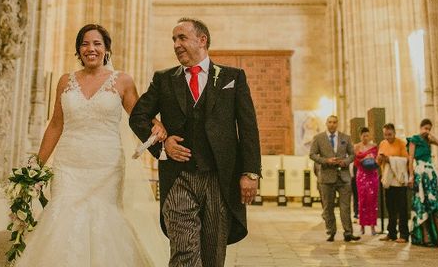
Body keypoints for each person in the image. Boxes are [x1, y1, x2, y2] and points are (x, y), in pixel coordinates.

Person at [14, 24, 168, 266]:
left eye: (97, 43)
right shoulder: (65, 81)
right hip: (69, 163)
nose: (91, 48)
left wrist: (157, 125)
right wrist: (36, 167)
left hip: (106, 163)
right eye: (85, 44)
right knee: (62, 213)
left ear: (106, 49)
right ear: (78, 49)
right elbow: (55, 124)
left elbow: (139, 116)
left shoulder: (123, 81)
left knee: (103, 217)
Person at [129, 18, 261, 267]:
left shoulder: (233, 77)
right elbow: (138, 116)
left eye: (182, 38)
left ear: (202, 40)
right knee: (184, 253)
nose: (176, 44)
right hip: (179, 178)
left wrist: (251, 172)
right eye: (173, 40)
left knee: (213, 256)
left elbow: (248, 128)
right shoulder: (164, 79)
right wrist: (162, 145)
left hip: (219, 180)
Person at [309, 115, 360, 242]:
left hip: (343, 177)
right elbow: (312, 154)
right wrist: (326, 160)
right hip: (326, 177)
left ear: (337, 124)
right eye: (330, 122)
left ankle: (348, 233)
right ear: (326, 123)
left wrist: (346, 162)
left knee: (345, 207)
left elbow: (352, 154)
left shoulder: (345, 138)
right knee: (328, 206)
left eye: (334, 122)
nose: (332, 124)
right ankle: (330, 232)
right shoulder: (318, 138)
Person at [407, 118, 438, 246]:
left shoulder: (429, 140)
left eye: (429, 129)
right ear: (420, 128)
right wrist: (411, 176)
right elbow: (410, 158)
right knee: (422, 202)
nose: (427, 131)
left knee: (434, 203)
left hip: (431, 173)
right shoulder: (414, 139)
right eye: (425, 128)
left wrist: (431, 136)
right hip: (420, 171)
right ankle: (425, 236)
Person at [376, 123, 409, 243]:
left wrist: (389, 159)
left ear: (394, 133)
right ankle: (391, 233)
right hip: (387, 179)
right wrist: (380, 159)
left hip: (398, 180)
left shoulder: (401, 143)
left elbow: (406, 160)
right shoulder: (383, 143)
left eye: (390, 134)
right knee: (390, 208)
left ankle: (404, 235)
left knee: (402, 208)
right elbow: (378, 160)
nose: (387, 137)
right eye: (385, 135)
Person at [354, 127, 378, 235]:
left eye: (367, 135)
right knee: (362, 200)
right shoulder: (356, 147)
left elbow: (378, 160)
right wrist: (363, 159)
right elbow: (355, 161)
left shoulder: (374, 146)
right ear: (360, 136)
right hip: (361, 174)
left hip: (372, 174)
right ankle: (362, 226)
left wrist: (372, 158)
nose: (366, 138)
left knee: (372, 200)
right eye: (363, 136)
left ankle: (373, 226)